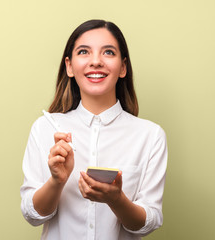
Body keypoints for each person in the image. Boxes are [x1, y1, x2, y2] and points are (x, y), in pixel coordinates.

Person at [20, 19, 168, 240]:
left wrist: (117, 200)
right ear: (69, 66)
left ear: (123, 67)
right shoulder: (45, 129)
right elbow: (32, 216)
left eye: (108, 52)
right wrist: (56, 180)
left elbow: (149, 222)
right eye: (84, 52)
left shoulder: (150, 136)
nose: (96, 61)